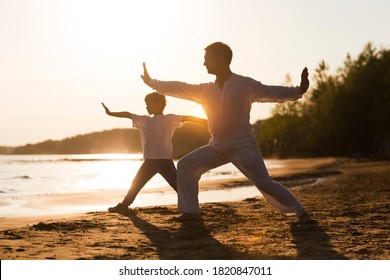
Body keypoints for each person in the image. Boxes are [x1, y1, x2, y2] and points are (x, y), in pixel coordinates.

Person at [141, 42, 313, 222]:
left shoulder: (244, 84)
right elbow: (180, 88)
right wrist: (152, 83)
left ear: (221, 59)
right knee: (186, 165)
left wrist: (299, 90)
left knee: (264, 182)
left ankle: (300, 212)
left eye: (207, 58)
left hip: (242, 145)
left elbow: (271, 92)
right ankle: (190, 212)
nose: (204, 63)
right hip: (217, 146)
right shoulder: (205, 90)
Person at [102, 92, 207, 213]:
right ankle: (124, 205)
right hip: (150, 161)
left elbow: (189, 117)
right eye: (146, 104)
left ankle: (193, 206)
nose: (146, 107)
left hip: (165, 161)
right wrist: (110, 113)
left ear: (159, 104)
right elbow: (127, 114)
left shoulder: (169, 119)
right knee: (136, 183)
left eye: (149, 104)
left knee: (179, 186)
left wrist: (208, 121)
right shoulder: (144, 120)